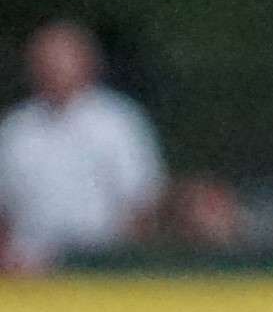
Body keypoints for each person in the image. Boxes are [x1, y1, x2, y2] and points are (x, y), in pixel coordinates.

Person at [0, 20, 166, 271]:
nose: (52, 69)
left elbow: (141, 201)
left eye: (60, 60)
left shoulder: (117, 123)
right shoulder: (16, 129)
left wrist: (122, 261)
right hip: (29, 270)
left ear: (87, 63)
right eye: (44, 61)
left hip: (98, 264)